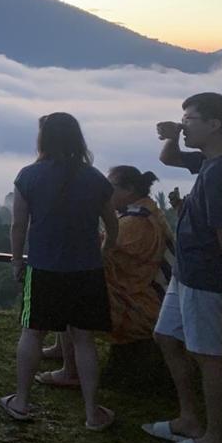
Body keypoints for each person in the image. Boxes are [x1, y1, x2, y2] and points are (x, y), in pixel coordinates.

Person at [0, 112, 118, 431]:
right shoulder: (95, 179)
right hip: (86, 270)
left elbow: (18, 226)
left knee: (32, 332)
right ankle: (93, 414)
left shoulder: (29, 176)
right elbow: (112, 225)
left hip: (44, 268)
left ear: (44, 140)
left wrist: (16, 261)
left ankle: (21, 402)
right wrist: (103, 252)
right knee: (84, 340)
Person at [142, 92, 222, 443]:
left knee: (208, 356)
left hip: (207, 277)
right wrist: (172, 135)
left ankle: (216, 441)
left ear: (214, 124)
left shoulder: (221, 172)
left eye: (189, 119)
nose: (183, 123)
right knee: (166, 336)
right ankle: (189, 418)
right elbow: (170, 158)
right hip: (187, 272)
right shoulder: (209, 162)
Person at [39, 165, 173, 385]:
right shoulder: (142, 212)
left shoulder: (136, 223)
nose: (104, 193)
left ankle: (71, 371)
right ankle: (61, 349)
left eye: (109, 188)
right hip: (143, 293)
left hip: (141, 304)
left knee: (70, 292)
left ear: (129, 190)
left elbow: (98, 255)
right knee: (70, 283)